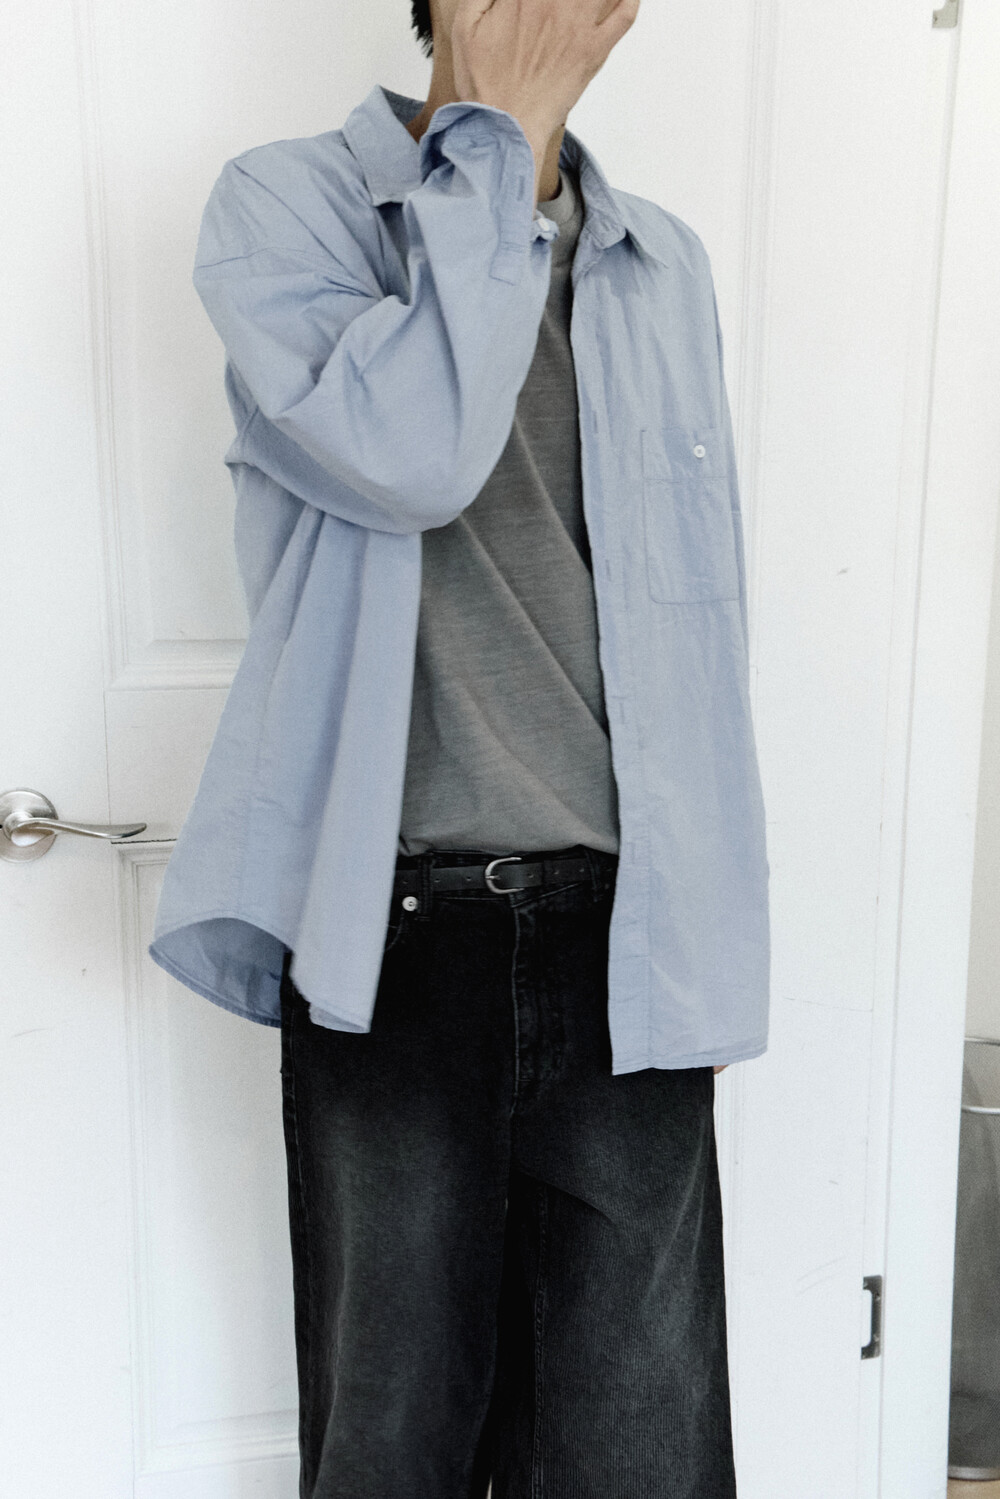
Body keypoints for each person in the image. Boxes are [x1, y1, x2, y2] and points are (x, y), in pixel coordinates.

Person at [148, 0, 771, 1492]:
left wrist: (712, 924)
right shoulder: (290, 208)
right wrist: (500, 147)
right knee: (397, 1447)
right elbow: (412, 454)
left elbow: (693, 625)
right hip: (396, 930)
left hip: (629, 935)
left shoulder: (658, 261)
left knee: (643, 1455)